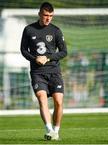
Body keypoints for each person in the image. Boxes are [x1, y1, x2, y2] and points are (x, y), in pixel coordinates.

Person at [20, 2, 67, 140]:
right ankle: (49, 130)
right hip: (37, 73)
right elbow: (23, 50)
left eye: (51, 16)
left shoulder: (56, 31)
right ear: (40, 14)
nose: (48, 18)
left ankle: (56, 131)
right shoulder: (28, 30)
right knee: (42, 99)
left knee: (58, 101)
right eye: (46, 15)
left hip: (54, 71)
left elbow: (64, 52)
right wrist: (35, 59)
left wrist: (48, 58)